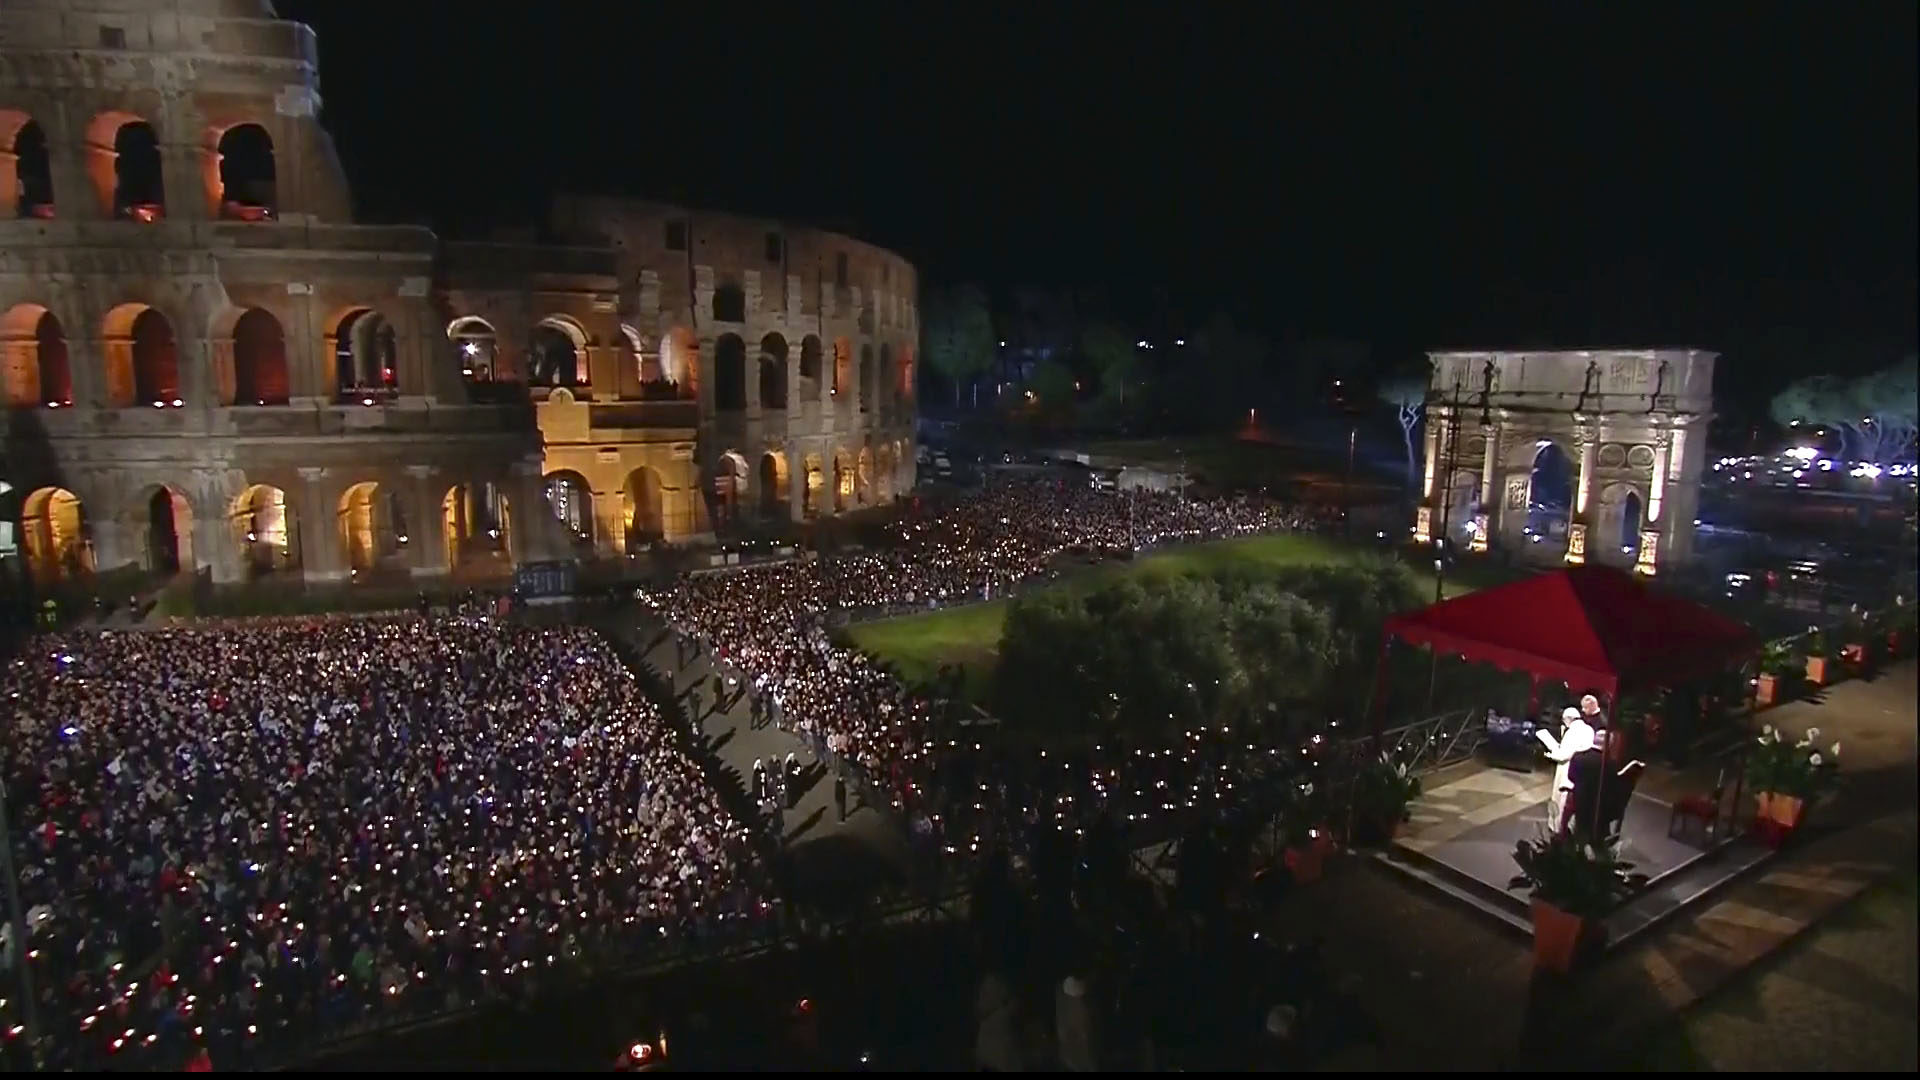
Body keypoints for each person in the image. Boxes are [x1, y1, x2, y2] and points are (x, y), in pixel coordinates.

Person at [1542, 706, 1594, 833]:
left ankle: (1558, 827)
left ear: (1568, 719)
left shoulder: (1571, 732)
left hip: (1567, 768)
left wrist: (1549, 754)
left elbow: (1564, 755)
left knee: (1562, 799)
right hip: (1583, 769)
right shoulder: (1589, 729)